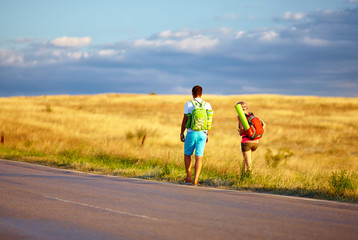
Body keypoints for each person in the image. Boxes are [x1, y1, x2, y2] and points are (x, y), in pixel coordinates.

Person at [180, 86, 212, 186]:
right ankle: (196, 180)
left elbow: (185, 119)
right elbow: (209, 121)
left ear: (192, 94)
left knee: (187, 154)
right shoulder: (207, 105)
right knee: (199, 156)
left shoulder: (189, 104)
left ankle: (188, 177)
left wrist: (182, 132)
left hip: (191, 132)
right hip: (203, 133)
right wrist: (207, 134)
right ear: (201, 94)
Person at [237, 101, 266, 175]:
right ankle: (243, 178)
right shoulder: (252, 115)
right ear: (246, 107)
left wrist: (240, 132)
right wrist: (256, 135)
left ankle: (251, 180)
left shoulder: (240, 116)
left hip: (246, 143)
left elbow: (242, 129)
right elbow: (264, 125)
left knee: (248, 164)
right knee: (246, 161)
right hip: (256, 142)